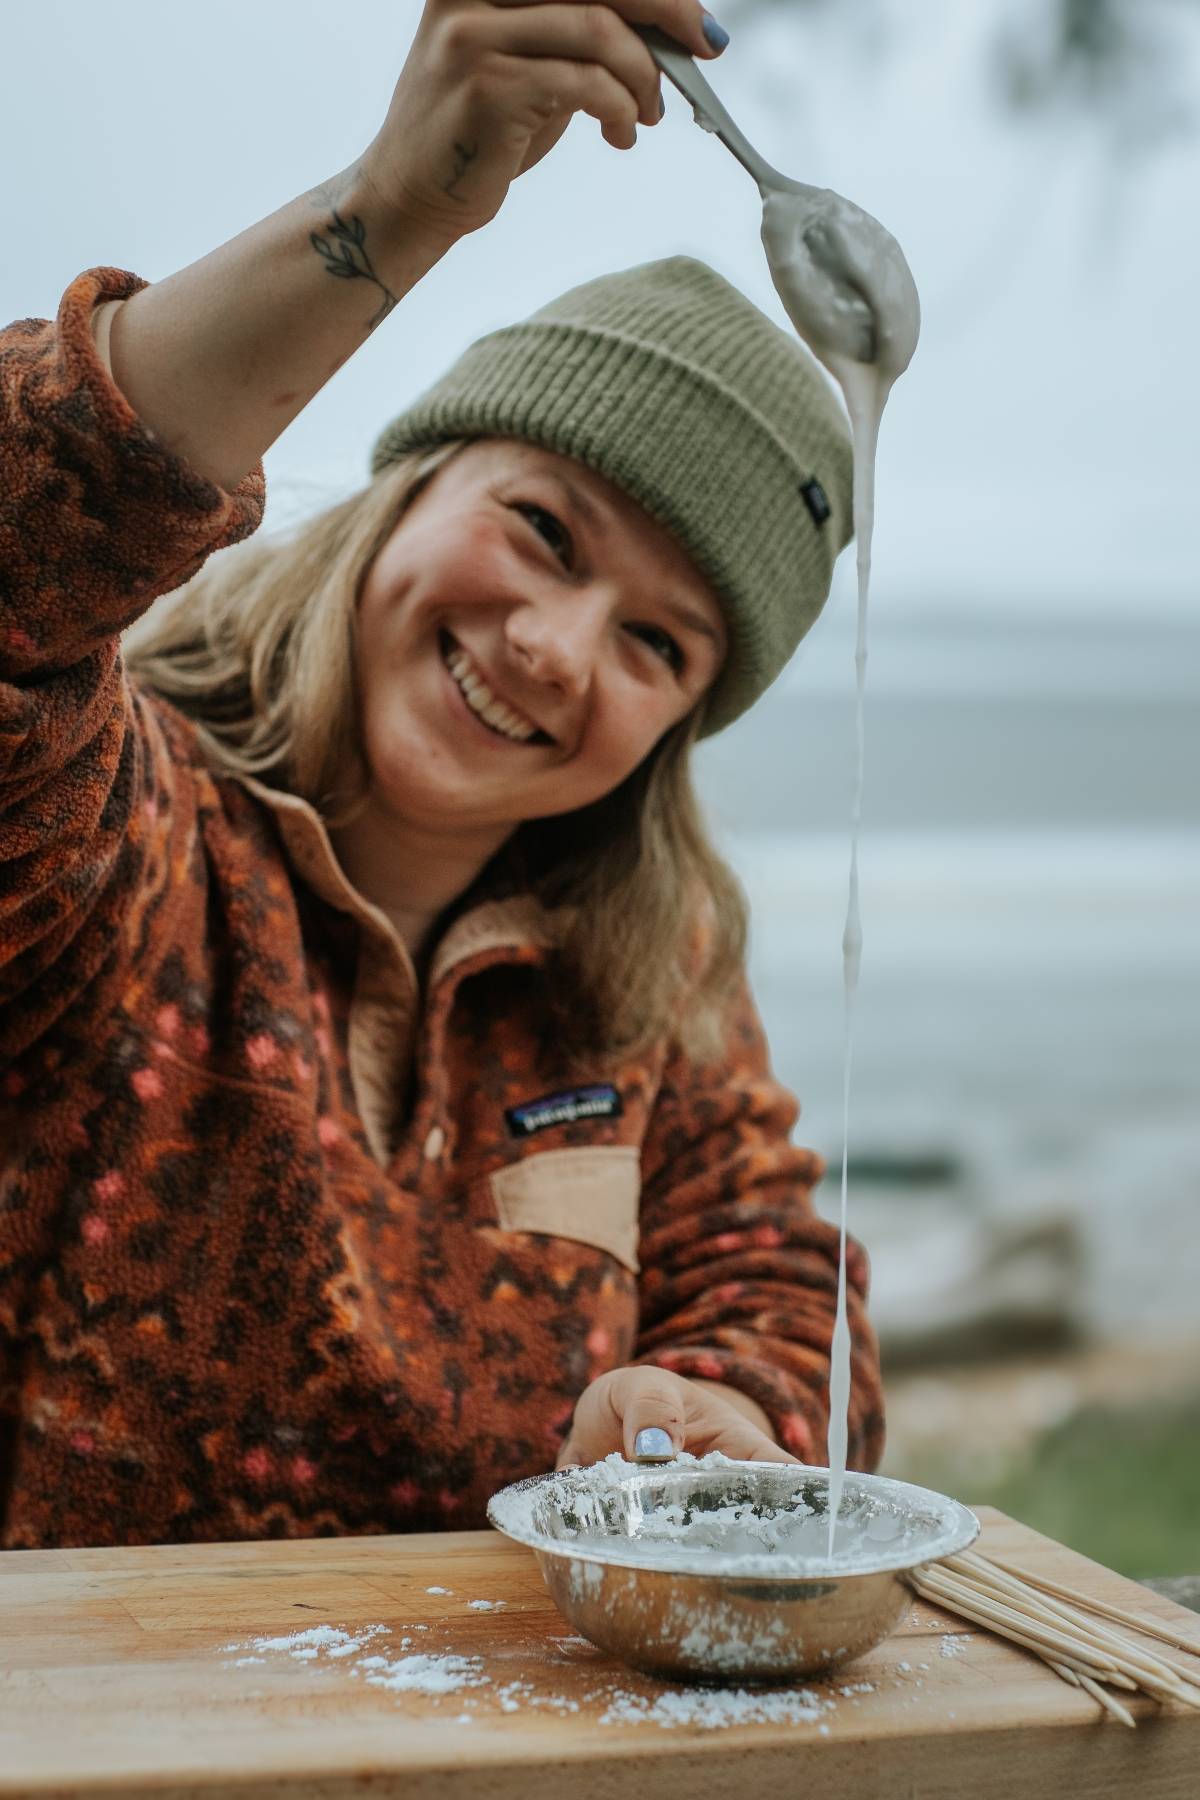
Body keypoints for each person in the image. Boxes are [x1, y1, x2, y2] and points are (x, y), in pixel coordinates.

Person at [0, 0, 882, 1551]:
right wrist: (390, 208)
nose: (554, 648)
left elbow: (780, 1288)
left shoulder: (649, 967)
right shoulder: (109, 815)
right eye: (542, 531)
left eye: (659, 646)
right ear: (409, 488)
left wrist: (716, 1411)